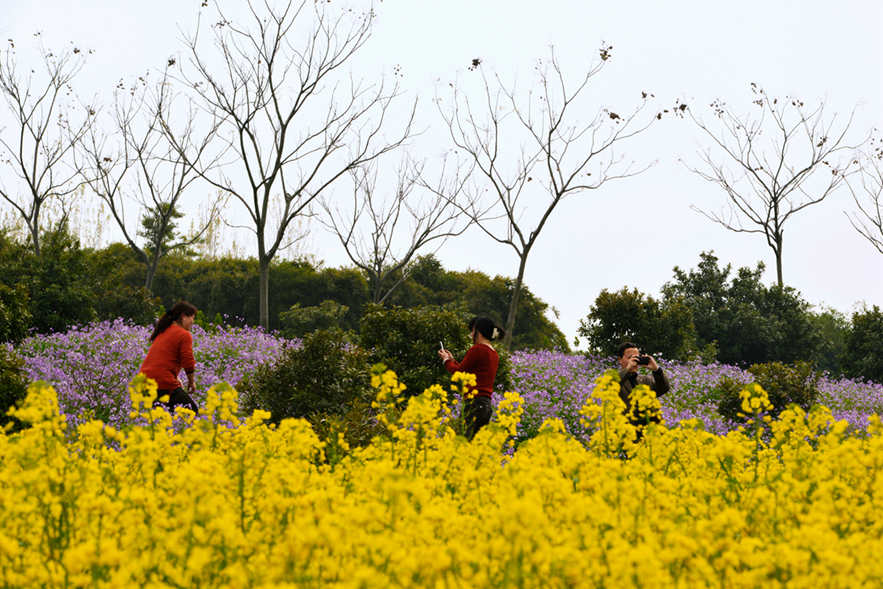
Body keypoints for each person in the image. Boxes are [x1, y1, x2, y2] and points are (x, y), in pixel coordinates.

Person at [438, 316, 506, 440]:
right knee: (473, 448)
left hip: (473, 403)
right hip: (486, 407)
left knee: (458, 442)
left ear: (479, 332)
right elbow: (468, 373)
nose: (471, 334)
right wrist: (453, 361)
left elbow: (458, 372)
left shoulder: (477, 349)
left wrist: (446, 361)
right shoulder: (494, 353)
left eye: (472, 331)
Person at [139, 301, 199, 413]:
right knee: (191, 411)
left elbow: (161, 359)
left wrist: (176, 378)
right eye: (192, 317)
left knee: (164, 416)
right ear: (183, 316)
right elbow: (188, 361)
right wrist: (191, 382)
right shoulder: (184, 334)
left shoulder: (163, 331)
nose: (193, 321)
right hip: (161, 382)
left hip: (144, 382)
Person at [616, 341, 670, 434]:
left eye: (636, 357)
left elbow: (664, 388)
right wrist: (627, 370)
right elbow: (612, 387)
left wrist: (656, 369)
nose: (634, 361)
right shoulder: (615, 380)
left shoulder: (646, 380)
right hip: (626, 435)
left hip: (649, 435)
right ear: (620, 359)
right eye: (629, 358)